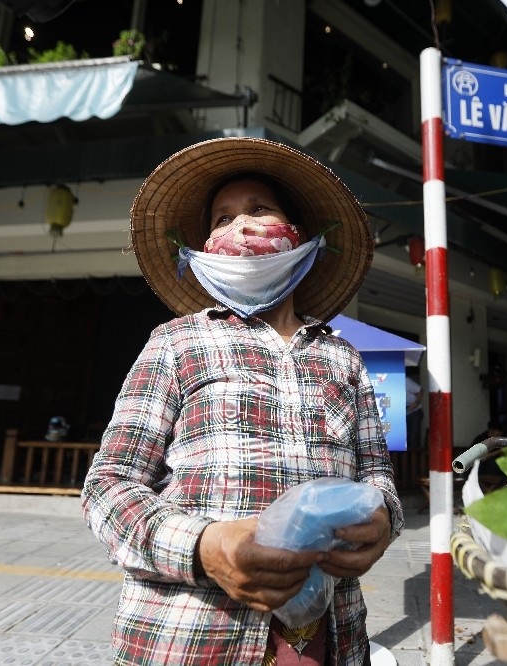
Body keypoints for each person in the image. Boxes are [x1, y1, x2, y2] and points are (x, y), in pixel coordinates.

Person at [81, 137, 404, 666]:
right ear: (204, 248)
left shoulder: (343, 357)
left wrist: (384, 519)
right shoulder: (176, 342)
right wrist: (205, 548)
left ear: (299, 237)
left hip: (330, 638)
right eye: (222, 218)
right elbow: (108, 486)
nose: (241, 226)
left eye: (259, 210)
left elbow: (377, 475)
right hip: (188, 637)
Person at [405, 369, 423, 449]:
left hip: (414, 411)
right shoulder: (385, 382)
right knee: (404, 436)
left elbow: (420, 390)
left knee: (413, 436)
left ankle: (415, 459)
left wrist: (417, 402)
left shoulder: (405, 380)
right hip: (402, 412)